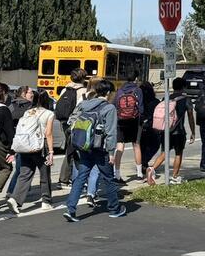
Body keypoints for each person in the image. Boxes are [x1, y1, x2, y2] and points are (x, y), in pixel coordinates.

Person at [64, 80, 127, 221]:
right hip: (100, 148)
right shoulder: (109, 108)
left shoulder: (84, 104)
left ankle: (71, 209)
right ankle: (115, 208)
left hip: (85, 146)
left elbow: (72, 121)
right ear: (109, 93)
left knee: (81, 177)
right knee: (109, 178)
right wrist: (112, 153)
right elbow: (111, 133)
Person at [8, 88, 55, 214]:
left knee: (24, 174)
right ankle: (46, 201)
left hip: (26, 147)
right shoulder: (48, 113)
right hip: (40, 147)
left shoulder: (28, 112)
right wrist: (51, 152)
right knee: (45, 174)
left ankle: (15, 199)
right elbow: (48, 133)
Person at [147, 77, 197, 185]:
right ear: (183, 87)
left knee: (164, 153)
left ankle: (152, 169)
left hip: (166, 130)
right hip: (179, 131)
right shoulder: (186, 99)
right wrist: (193, 131)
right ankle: (174, 176)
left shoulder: (166, 98)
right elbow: (190, 116)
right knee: (178, 153)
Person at [54, 69, 90, 187]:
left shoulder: (65, 89)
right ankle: (65, 179)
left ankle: (71, 178)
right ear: (83, 78)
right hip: (75, 123)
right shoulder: (84, 91)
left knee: (72, 148)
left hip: (63, 122)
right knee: (73, 150)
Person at [112, 74, 145, 184]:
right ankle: (139, 175)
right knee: (136, 145)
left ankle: (117, 175)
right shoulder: (138, 90)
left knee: (120, 146)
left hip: (120, 121)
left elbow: (115, 105)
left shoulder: (120, 90)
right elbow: (141, 107)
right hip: (134, 121)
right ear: (136, 78)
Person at [4, 85, 35, 197]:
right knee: (22, 168)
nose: (32, 94)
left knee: (23, 166)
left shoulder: (12, 105)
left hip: (14, 139)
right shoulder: (30, 107)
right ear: (24, 94)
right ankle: (12, 191)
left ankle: (21, 188)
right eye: (30, 92)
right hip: (26, 140)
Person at [138, 81, 161, 170]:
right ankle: (144, 161)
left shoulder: (139, 101)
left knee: (141, 146)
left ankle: (142, 163)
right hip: (152, 126)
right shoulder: (155, 101)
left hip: (140, 125)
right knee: (154, 145)